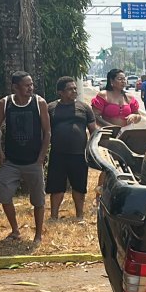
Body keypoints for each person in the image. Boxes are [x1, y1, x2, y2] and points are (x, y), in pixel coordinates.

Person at [0, 71, 50, 243]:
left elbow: (47, 132)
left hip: (33, 161)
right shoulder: (5, 103)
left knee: (38, 200)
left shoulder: (40, 103)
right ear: (15, 87)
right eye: (26, 85)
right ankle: (15, 230)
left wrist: (41, 156)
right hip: (11, 161)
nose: (30, 88)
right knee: (4, 196)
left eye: (31, 84)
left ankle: (38, 235)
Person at [47, 76, 97, 221]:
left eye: (75, 88)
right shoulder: (51, 108)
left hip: (79, 154)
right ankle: (53, 216)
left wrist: (92, 149)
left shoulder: (84, 108)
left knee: (79, 186)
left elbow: (93, 130)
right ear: (60, 92)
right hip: (58, 154)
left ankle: (80, 215)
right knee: (56, 187)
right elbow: (45, 130)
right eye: (70, 89)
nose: (74, 91)